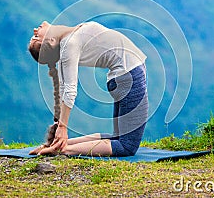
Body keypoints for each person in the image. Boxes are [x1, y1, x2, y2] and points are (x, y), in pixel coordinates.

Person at [28, 21, 148, 157]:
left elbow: (62, 89)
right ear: (50, 41)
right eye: (36, 37)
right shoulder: (69, 44)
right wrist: (62, 127)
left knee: (119, 138)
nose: (35, 30)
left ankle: (58, 145)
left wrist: (56, 135)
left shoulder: (68, 38)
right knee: (127, 146)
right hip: (129, 76)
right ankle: (63, 149)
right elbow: (69, 90)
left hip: (124, 77)